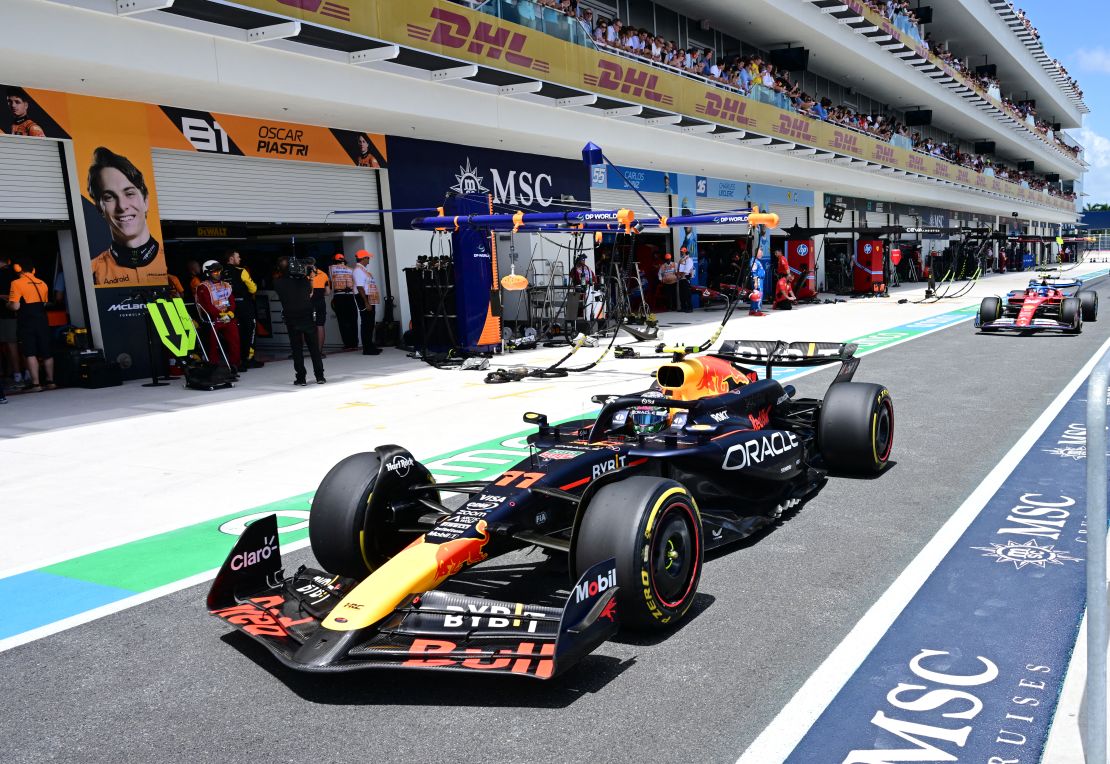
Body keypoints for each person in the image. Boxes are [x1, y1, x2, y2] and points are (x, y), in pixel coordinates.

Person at [86, 147, 168, 288]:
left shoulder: (169, 263)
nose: (122, 206)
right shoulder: (91, 272)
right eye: (109, 197)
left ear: (146, 200)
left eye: (129, 193)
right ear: (100, 208)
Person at [273, 258, 325, 386]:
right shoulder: (304, 281)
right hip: (306, 316)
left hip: (291, 317)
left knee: (297, 349)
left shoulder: (278, 283)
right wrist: (310, 277)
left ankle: (301, 378)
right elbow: (310, 293)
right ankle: (320, 376)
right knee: (314, 348)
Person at [6, 260, 54, 391]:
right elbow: (44, 303)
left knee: (30, 352)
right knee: (47, 352)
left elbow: (16, 305)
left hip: (26, 321)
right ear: (33, 270)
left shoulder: (16, 283)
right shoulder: (43, 283)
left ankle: (36, 384)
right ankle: (50, 381)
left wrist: (8, 304)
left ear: (17, 269)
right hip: (42, 319)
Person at [194, 259, 240, 370]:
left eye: (219, 271)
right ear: (207, 273)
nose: (218, 274)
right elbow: (207, 306)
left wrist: (230, 313)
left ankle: (235, 365)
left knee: (235, 340)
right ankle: (213, 365)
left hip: (228, 317)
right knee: (212, 344)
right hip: (213, 319)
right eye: (215, 272)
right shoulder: (203, 287)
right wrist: (220, 315)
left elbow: (231, 301)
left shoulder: (226, 285)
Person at [222, 249, 263, 371]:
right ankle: (249, 359)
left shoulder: (220, 272)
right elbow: (253, 289)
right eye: (238, 257)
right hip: (244, 304)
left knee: (235, 332)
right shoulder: (241, 271)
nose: (240, 259)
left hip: (228, 306)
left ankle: (236, 360)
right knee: (250, 329)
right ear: (231, 259)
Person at [0, 255, 26, 388]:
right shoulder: (17, 275)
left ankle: (17, 376)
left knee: (11, 345)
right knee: (20, 344)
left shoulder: (4, 275)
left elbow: (10, 297)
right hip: (21, 314)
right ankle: (25, 374)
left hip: (7, 315)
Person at [353, 250, 382, 355]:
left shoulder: (363, 270)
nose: (369, 259)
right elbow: (360, 287)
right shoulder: (358, 270)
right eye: (368, 257)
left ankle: (370, 345)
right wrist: (366, 302)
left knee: (370, 323)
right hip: (364, 297)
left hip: (368, 297)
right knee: (366, 323)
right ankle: (367, 348)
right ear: (363, 258)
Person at [328, 253, 358, 350]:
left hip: (339, 296)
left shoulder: (332, 268)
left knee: (342, 321)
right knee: (353, 320)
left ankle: (348, 344)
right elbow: (354, 284)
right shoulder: (351, 270)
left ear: (335, 261)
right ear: (344, 260)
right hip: (350, 296)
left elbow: (331, 283)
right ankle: (354, 343)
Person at [310, 257, 330, 354]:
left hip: (308, 303)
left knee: (303, 326)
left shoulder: (303, 275)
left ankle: (299, 352)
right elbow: (328, 292)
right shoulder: (324, 274)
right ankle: (319, 352)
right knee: (320, 325)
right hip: (320, 302)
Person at [749, 249, 767, 317]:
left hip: (759, 280)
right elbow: (754, 272)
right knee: (759, 295)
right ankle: (757, 310)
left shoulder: (757, 261)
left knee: (755, 294)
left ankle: (752, 310)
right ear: (756, 253)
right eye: (760, 253)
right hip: (758, 280)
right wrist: (756, 282)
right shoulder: (754, 261)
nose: (762, 254)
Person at [676, 246, 694, 313]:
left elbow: (687, 270)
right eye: (680, 252)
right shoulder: (681, 259)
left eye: (682, 252)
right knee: (681, 294)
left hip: (686, 278)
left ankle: (690, 308)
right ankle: (683, 307)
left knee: (687, 294)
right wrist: (678, 275)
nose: (681, 253)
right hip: (681, 278)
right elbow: (679, 268)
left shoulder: (689, 259)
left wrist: (681, 276)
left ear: (685, 252)